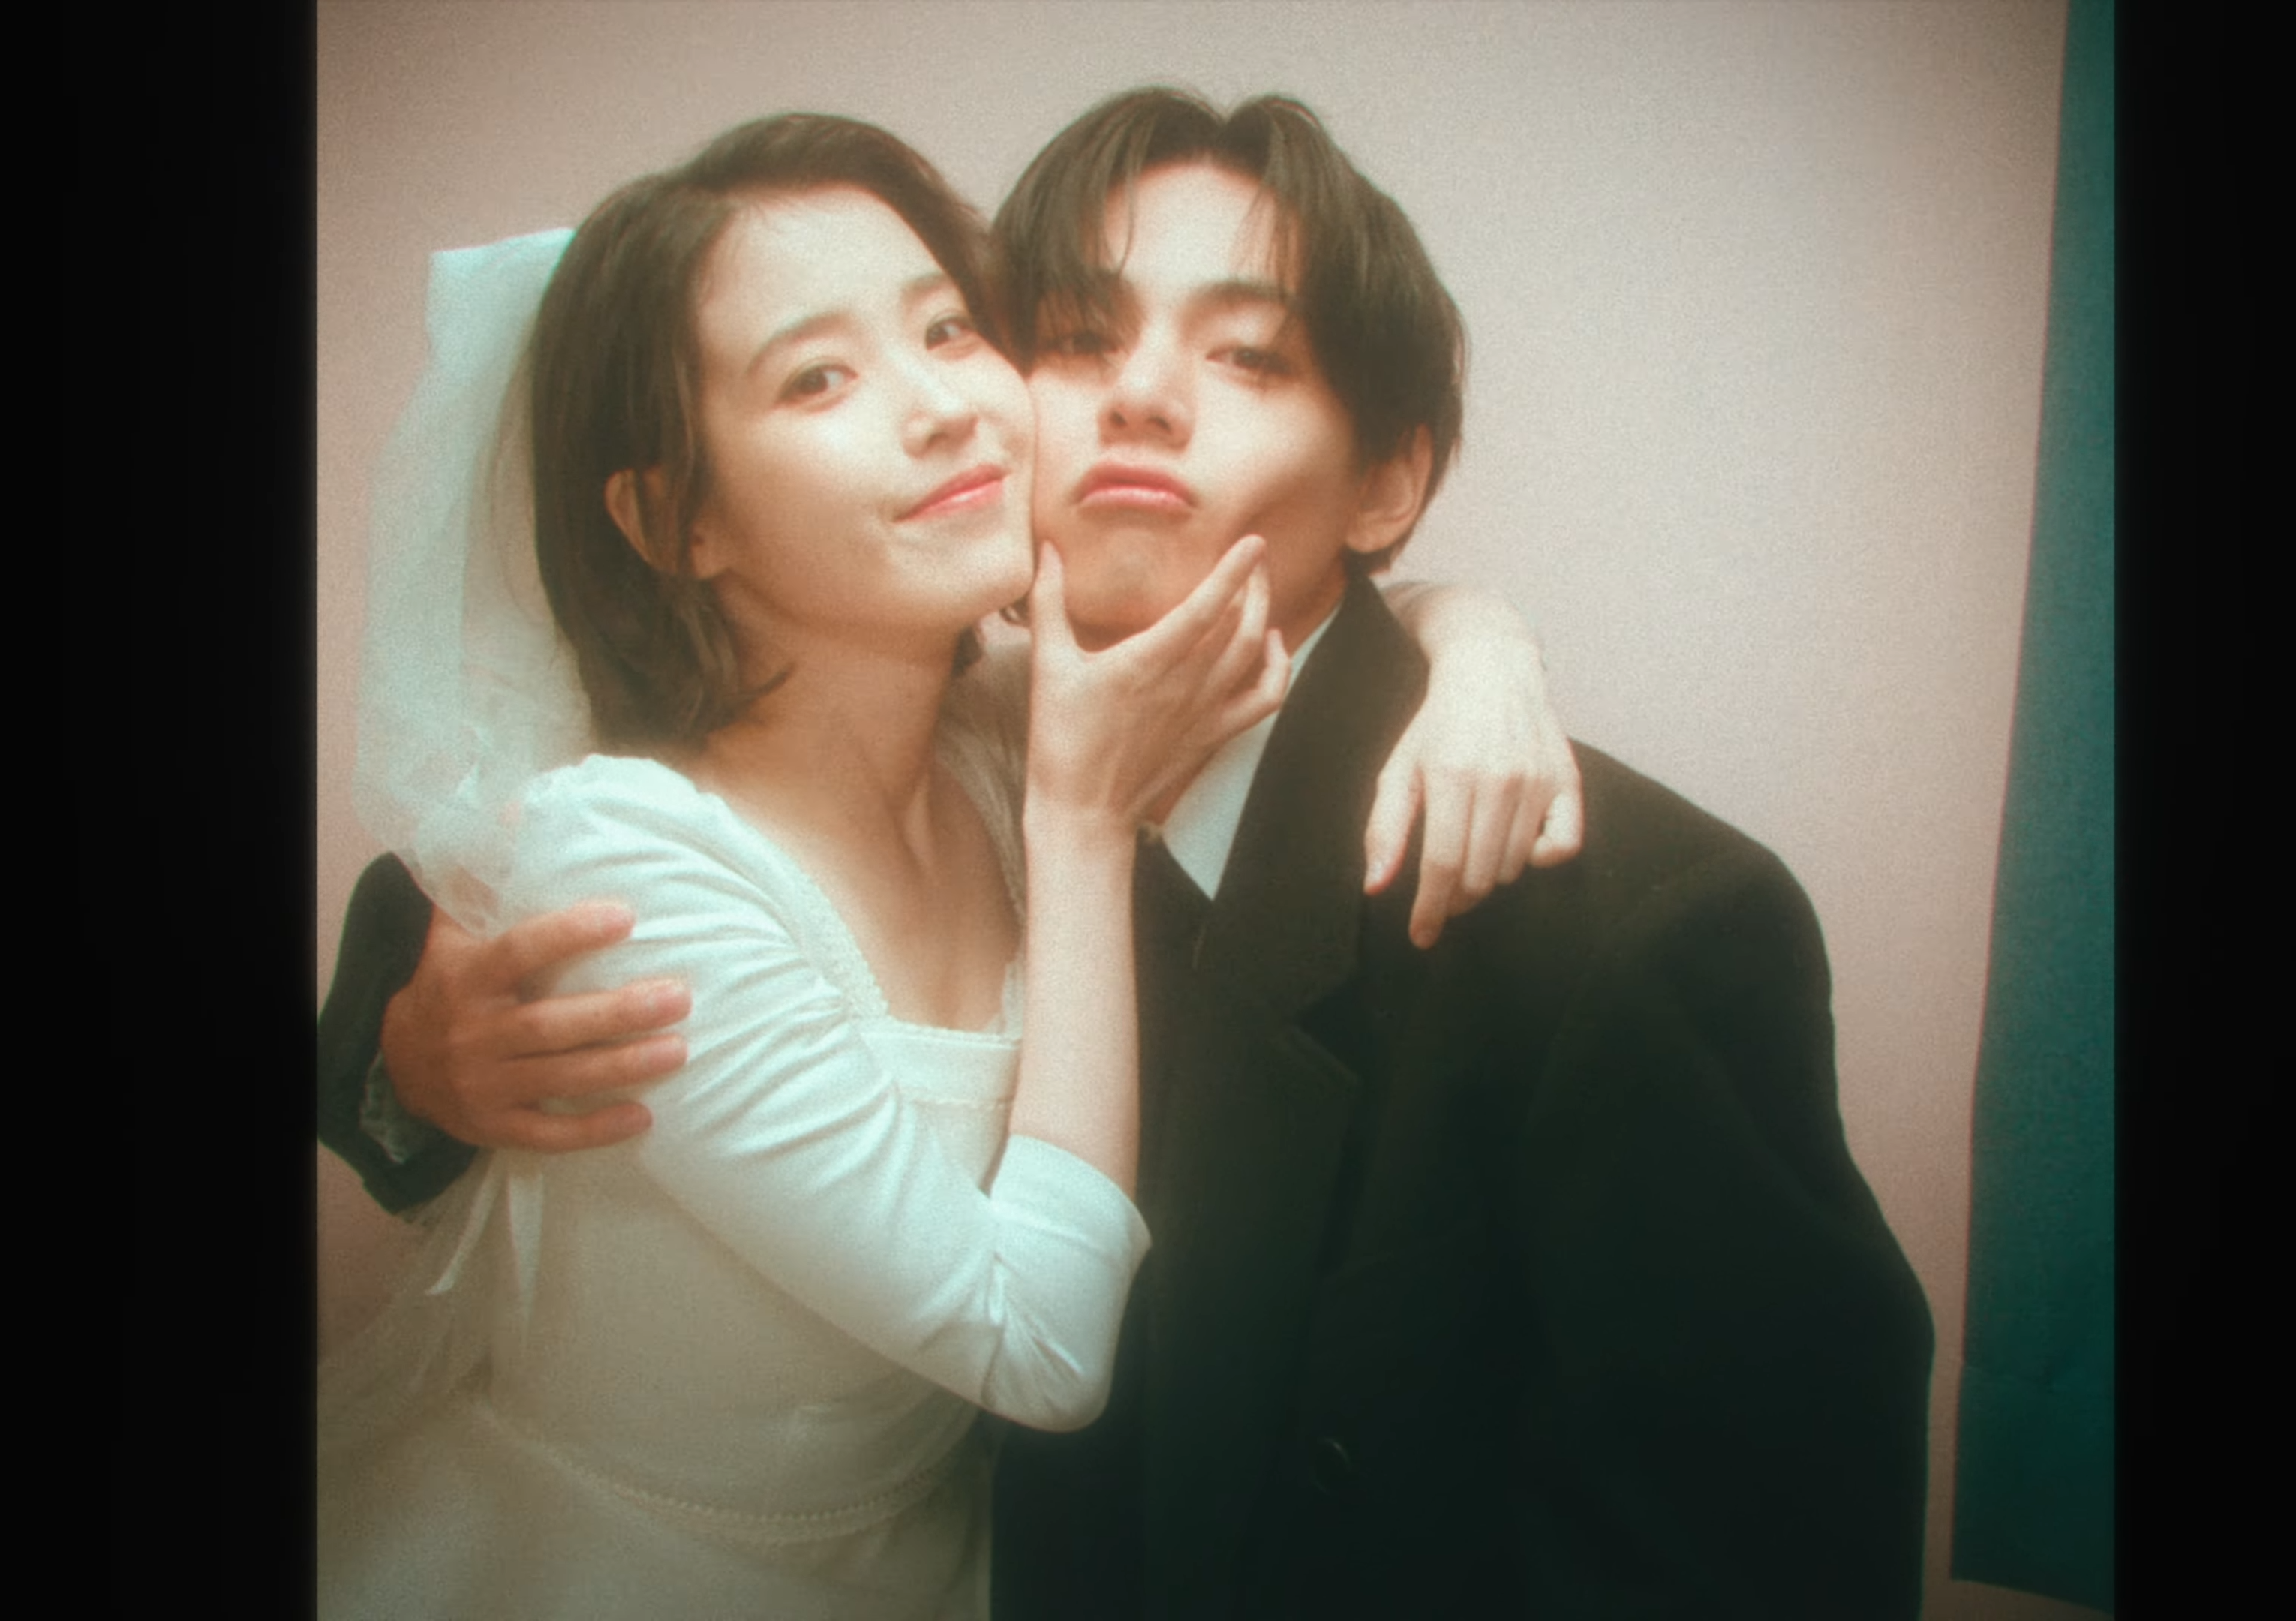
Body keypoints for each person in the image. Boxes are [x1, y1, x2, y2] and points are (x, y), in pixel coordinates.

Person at [338, 88, 1939, 1616]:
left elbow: (1747, 1562)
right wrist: (402, 1061)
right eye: (1078, 337)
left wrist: (1478, 635)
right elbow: (444, 909)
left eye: (1248, 354)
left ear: (1387, 478)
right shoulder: (980, 749)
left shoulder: (1632, 934)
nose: (1137, 398)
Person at [316, 113, 1296, 1619]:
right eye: (818, 378)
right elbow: (1038, 1350)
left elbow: (1299, 616)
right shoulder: (627, 865)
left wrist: (1481, 644)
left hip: (932, 1558)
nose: (946, 409)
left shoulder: (995, 733)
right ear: (677, 518)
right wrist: (1084, 825)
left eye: (950, 330)